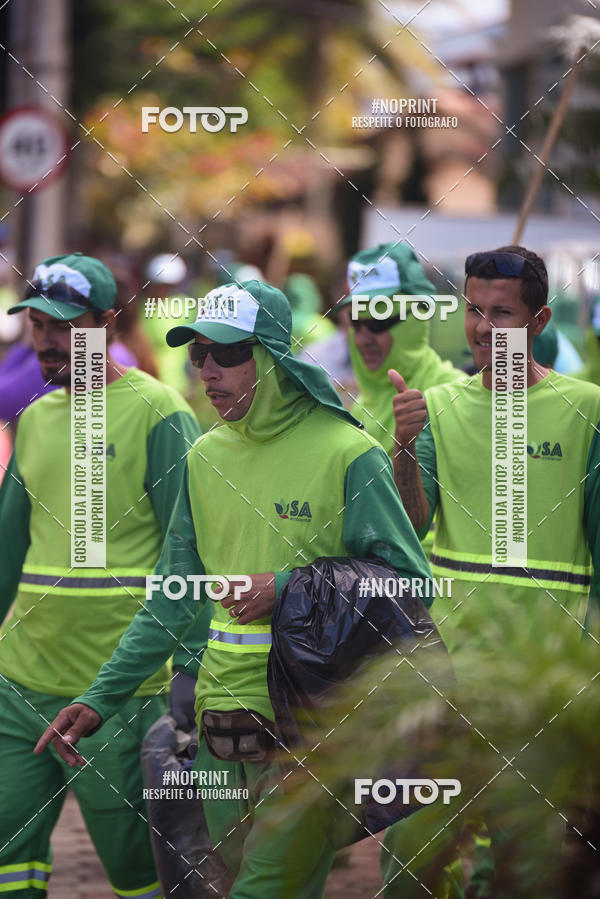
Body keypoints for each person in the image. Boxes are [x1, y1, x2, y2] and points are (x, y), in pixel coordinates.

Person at [36, 279, 433, 898]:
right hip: (220, 725)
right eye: (197, 355)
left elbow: (409, 585)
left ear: (271, 355)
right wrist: (98, 700)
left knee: (260, 889)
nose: (208, 371)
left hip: (312, 728)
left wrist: (287, 587)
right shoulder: (203, 457)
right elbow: (171, 598)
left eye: (226, 354)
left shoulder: (350, 453)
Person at [384, 245, 600, 897]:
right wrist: (401, 447)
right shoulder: (440, 408)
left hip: (545, 687)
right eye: (474, 311)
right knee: (409, 863)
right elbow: (412, 521)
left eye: (500, 313)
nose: (482, 328)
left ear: (538, 323)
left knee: (523, 873)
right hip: (448, 678)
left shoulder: (587, 410)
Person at [0, 253, 206, 899]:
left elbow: (190, 555)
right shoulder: (33, 418)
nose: (49, 340)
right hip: (21, 682)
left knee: (137, 867)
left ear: (107, 322)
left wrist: (190, 675)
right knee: (9, 850)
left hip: (121, 689)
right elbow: (7, 551)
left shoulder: (160, 412)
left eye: (66, 325)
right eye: (37, 323)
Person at [341, 241, 463, 457]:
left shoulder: (454, 397)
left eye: (378, 323)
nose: (362, 340)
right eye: (356, 324)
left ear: (414, 323)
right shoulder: (359, 409)